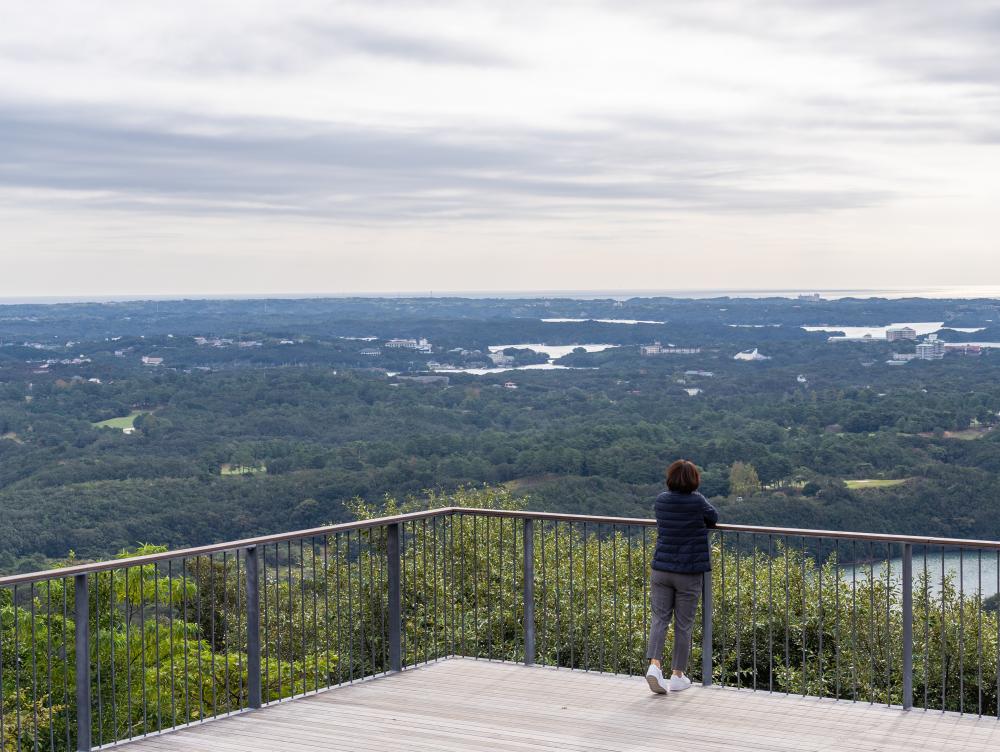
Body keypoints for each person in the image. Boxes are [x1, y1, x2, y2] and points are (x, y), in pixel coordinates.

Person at [645, 459, 718, 694]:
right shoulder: (697, 501)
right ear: (694, 480)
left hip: (661, 570)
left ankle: (655, 666)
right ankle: (678, 675)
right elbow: (713, 517)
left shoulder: (661, 500)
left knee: (660, 619)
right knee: (683, 625)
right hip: (688, 572)